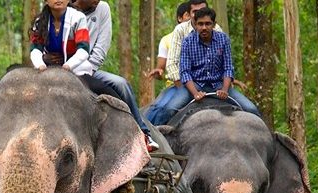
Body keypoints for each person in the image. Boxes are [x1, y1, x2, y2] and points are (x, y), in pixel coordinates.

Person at [70, 0, 160, 151]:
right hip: (61, 70)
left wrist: (87, 72)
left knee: (121, 84)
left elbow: (101, 47)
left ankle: (142, 133)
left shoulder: (103, 8)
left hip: (88, 69)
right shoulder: (63, 9)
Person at [179, 7, 259, 115]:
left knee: (251, 109)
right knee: (169, 109)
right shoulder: (187, 42)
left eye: (208, 24)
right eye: (200, 24)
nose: (204, 27)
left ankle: (268, 132)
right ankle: (151, 130)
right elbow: (185, 72)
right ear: (195, 24)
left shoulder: (223, 39)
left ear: (214, 24)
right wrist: (195, 93)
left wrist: (225, 90)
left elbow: (228, 68)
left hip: (218, 84)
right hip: (196, 84)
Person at [146, 2, 191, 82]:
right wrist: (158, 72)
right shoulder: (166, 40)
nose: (192, 18)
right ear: (180, 18)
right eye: (188, 15)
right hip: (175, 85)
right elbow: (160, 69)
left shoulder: (205, 37)